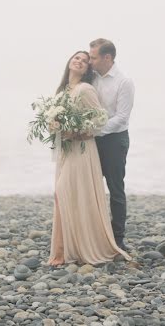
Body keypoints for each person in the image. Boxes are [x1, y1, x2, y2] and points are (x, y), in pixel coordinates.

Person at [48, 50, 130, 266]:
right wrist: (54, 126)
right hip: (67, 150)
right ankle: (64, 250)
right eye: (76, 58)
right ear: (69, 61)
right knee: (66, 195)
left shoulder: (86, 89)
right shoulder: (63, 91)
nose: (80, 61)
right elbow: (55, 119)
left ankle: (87, 246)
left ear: (87, 70)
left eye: (85, 61)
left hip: (82, 149)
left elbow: (99, 118)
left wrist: (78, 132)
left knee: (68, 192)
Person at [89, 39, 134, 252]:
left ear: (107, 58)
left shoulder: (124, 82)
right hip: (92, 140)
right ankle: (95, 234)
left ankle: (118, 238)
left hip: (115, 140)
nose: (90, 60)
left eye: (94, 57)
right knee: (91, 186)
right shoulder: (92, 77)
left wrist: (95, 130)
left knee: (115, 188)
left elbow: (122, 117)